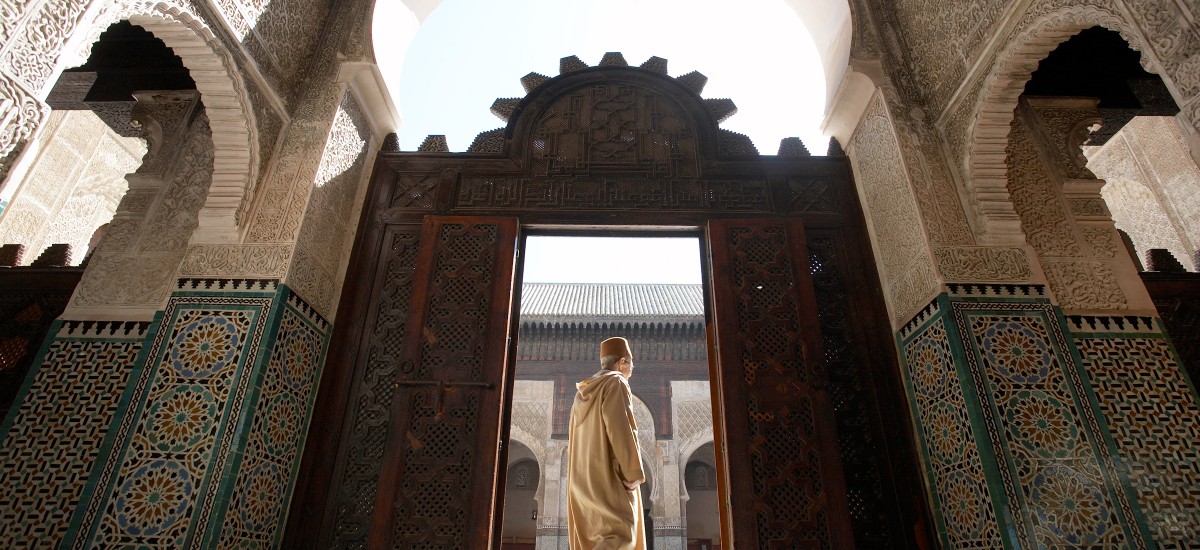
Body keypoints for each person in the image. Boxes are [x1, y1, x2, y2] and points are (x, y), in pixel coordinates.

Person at [566, 336, 647, 550]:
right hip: (607, 479)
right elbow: (621, 430)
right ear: (621, 363)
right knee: (620, 535)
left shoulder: (582, 392)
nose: (631, 369)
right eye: (631, 363)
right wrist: (633, 474)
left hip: (581, 482)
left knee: (593, 540)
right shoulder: (615, 382)